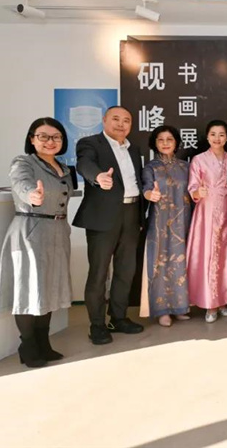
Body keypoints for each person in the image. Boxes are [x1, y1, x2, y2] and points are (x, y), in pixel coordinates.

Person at [0, 118, 74, 367]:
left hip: (57, 231)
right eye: (43, 136)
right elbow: (21, 184)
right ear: (32, 139)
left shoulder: (64, 167)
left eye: (56, 137)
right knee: (28, 288)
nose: (50, 141)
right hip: (31, 230)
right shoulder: (23, 162)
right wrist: (32, 194)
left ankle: (43, 342)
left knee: (48, 286)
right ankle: (28, 345)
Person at [73, 106, 145, 345]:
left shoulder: (133, 148)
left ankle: (118, 318)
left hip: (131, 214)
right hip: (103, 217)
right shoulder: (90, 143)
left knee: (126, 270)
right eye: (115, 119)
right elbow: (84, 164)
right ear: (104, 120)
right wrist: (98, 177)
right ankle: (97, 325)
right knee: (99, 273)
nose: (121, 124)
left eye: (126, 120)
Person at [141, 125, 192, 327]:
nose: (165, 143)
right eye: (160, 139)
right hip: (159, 222)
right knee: (160, 263)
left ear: (176, 142)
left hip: (183, 221)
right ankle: (162, 310)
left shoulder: (186, 167)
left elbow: (194, 190)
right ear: (154, 143)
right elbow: (146, 188)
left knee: (181, 263)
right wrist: (150, 195)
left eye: (169, 139)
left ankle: (180, 307)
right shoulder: (150, 167)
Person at [186, 120, 227, 323]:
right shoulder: (199, 159)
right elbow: (192, 187)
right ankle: (210, 303)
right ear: (207, 137)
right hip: (206, 212)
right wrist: (198, 191)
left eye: (221, 134)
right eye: (213, 134)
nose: (217, 138)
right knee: (208, 255)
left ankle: (224, 300)